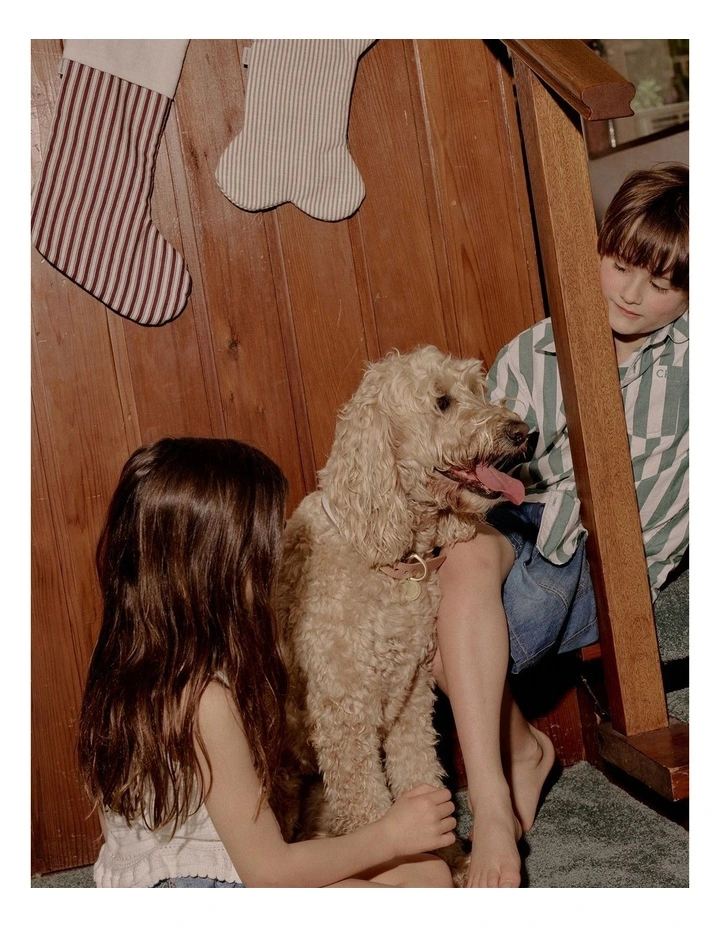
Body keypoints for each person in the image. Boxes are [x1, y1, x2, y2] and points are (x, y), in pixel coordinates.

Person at [434, 163, 689, 888]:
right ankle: (497, 794)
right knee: (436, 583)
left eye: (664, 283)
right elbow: (488, 483)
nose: (633, 294)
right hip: (515, 527)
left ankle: (518, 757)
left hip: (596, 553)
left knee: (458, 638)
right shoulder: (532, 349)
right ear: (597, 251)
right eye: (620, 265)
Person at [78, 437, 456, 888]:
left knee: (428, 873)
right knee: (426, 885)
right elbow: (268, 873)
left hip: (182, 874)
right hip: (205, 885)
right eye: (266, 544)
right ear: (218, 568)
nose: (277, 556)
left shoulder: (134, 658)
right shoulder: (205, 701)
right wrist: (390, 835)